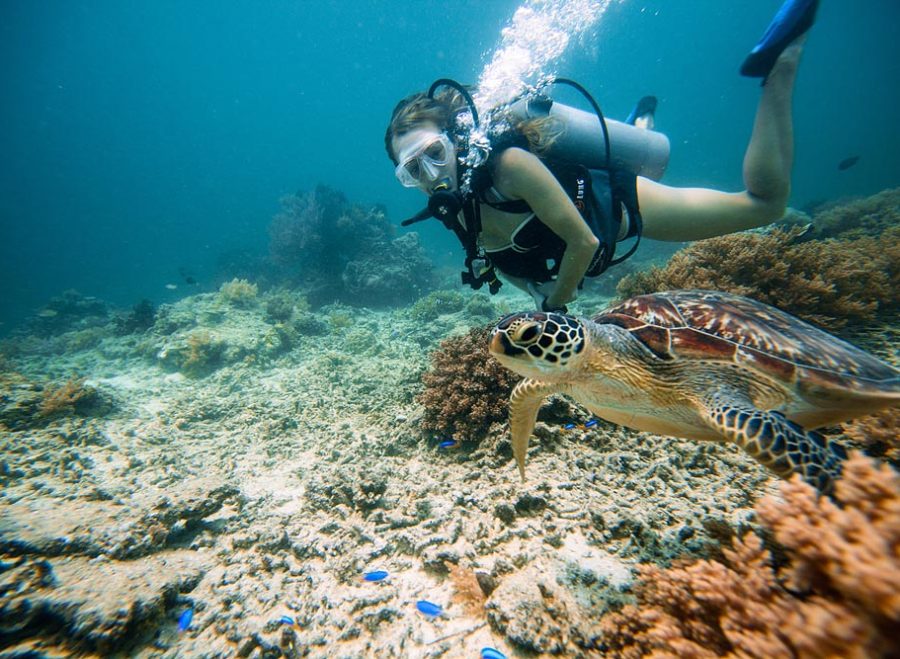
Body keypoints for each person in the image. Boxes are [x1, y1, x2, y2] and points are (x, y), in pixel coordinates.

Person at [385, 0, 818, 312]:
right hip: (594, 200)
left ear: (455, 138)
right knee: (633, 150)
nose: (430, 175)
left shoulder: (510, 167)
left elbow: (584, 241)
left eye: (434, 153)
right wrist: (536, 291)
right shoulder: (454, 207)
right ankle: (636, 125)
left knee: (765, 204)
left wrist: (556, 302)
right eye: (412, 171)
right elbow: (495, 254)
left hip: (625, 205)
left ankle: (784, 61)